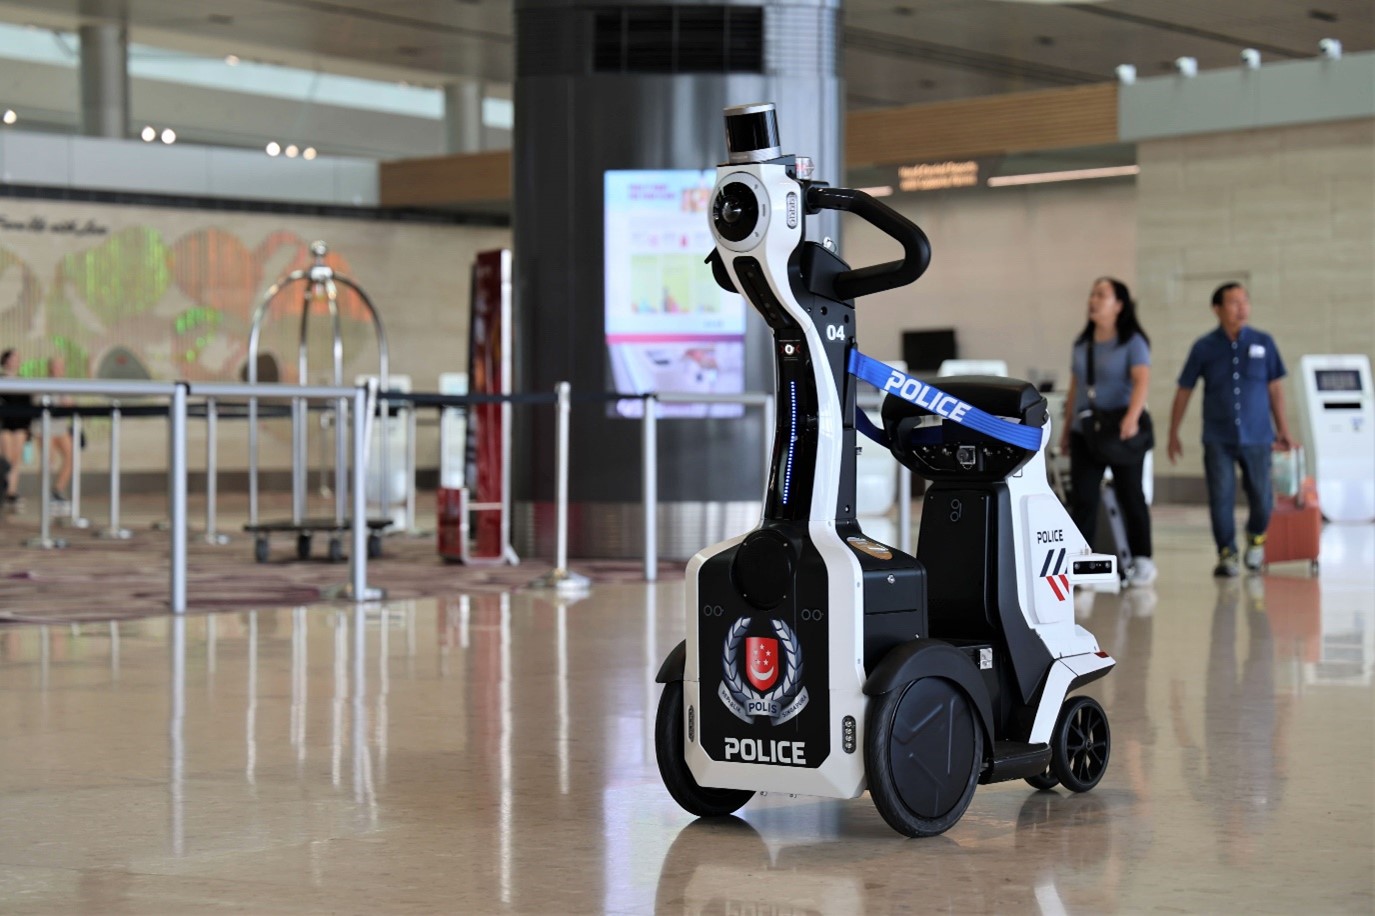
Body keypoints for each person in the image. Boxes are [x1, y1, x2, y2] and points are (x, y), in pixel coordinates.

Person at [1167, 282, 1294, 577]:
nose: (1242, 308)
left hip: (1258, 436)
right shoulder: (1204, 347)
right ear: (1217, 309)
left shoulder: (1264, 342)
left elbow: (1275, 388)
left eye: (1245, 301)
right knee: (1221, 496)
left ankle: (1255, 539)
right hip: (1218, 437)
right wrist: (1173, 432)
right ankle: (1226, 553)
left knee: (1263, 498)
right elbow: (1184, 390)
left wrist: (1283, 429)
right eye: (1234, 302)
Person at [1060, 277, 1156, 586]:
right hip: (1085, 430)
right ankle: (1083, 562)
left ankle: (1142, 560)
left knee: (1131, 494)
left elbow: (1142, 380)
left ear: (1119, 305)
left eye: (1102, 295)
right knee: (1084, 498)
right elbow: (1075, 390)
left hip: (1121, 430)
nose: (1093, 300)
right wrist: (1065, 431)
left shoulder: (1133, 342)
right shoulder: (1082, 344)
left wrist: (1131, 418)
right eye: (1092, 294)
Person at [42, 356, 75, 505]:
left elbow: (71, 404)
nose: (58, 369)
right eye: (56, 366)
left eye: (60, 366)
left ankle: (58, 489)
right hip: (47, 427)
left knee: (71, 457)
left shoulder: (66, 385)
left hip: (61, 427)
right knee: (49, 461)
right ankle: (45, 491)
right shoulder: (43, 384)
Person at [0, 347, 31, 506]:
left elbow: (28, 405)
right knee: (6, 458)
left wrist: (28, 430)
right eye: (12, 358)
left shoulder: (23, 381)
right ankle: (4, 490)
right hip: (5, 424)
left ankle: (12, 491)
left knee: (15, 459)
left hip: (19, 424)